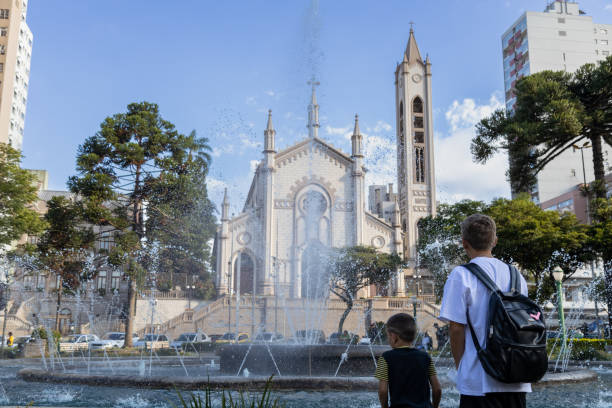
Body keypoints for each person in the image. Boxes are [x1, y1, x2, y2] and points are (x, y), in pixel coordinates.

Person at [439, 214, 531, 408]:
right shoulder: (516, 275)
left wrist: (461, 366)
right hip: (516, 377)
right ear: (495, 241)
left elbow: (456, 329)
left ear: (464, 244)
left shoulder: (461, 275)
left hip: (478, 379)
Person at [374, 313, 442, 408]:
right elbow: (437, 389)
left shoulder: (386, 358)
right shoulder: (425, 357)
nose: (388, 339)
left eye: (388, 336)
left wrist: (384, 406)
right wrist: (435, 406)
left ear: (394, 336)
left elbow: (383, 391)